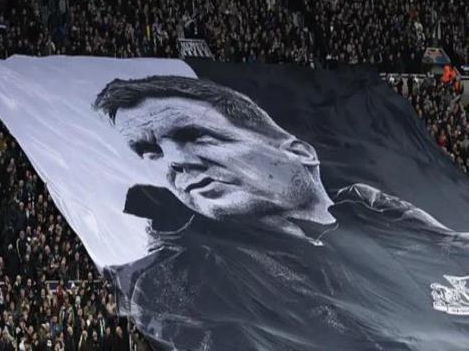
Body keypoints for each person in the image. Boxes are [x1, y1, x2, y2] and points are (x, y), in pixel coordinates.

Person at [95, 76, 469, 351]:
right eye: (151, 153)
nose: (174, 162)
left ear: (298, 151)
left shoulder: (373, 210)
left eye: (194, 136)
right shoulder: (177, 283)